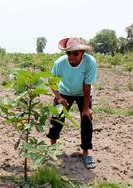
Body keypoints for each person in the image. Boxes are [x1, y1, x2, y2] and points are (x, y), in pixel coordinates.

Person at [47, 37, 97, 169]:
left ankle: (85, 153)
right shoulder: (60, 63)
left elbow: (87, 84)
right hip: (64, 92)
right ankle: (52, 148)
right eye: (68, 53)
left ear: (82, 53)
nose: (72, 56)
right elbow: (51, 81)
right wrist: (58, 97)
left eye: (75, 53)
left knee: (86, 119)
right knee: (57, 118)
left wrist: (86, 108)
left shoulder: (90, 62)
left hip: (83, 93)